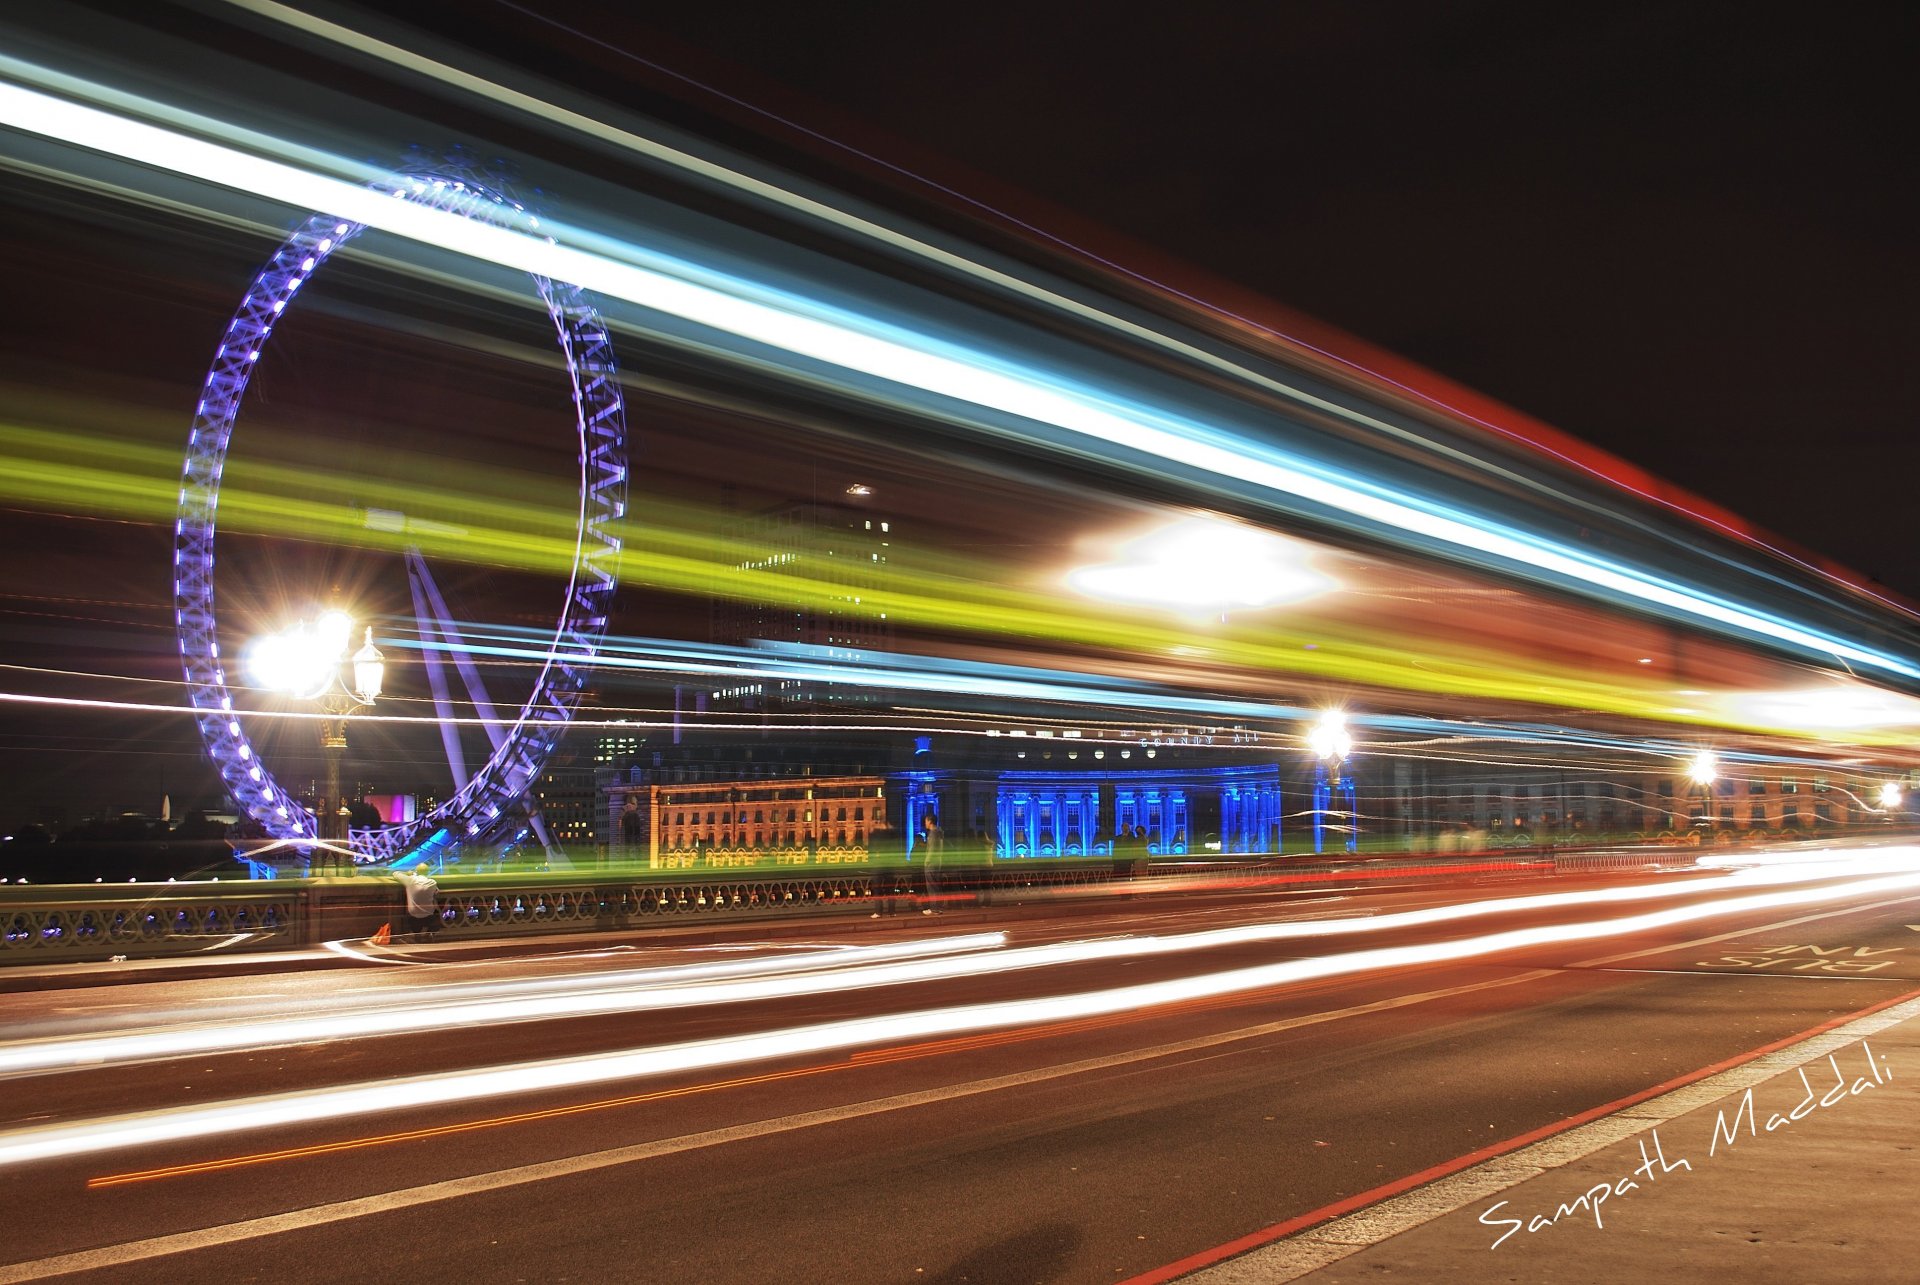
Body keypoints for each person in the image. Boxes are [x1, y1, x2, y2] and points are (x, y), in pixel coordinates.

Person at [396, 866, 439, 940]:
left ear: (416, 871)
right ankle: (429, 933)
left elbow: (396, 873)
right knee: (437, 913)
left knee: (410, 915)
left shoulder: (410, 880)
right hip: (429, 915)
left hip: (413, 916)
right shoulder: (432, 882)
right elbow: (437, 892)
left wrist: (408, 873)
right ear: (427, 872)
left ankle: (415, 934)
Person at [919, 812, 944, 914]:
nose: (925, 823)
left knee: (931, 886)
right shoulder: (940, 832)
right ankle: (937, 907)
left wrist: (926, 861)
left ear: (930, 821)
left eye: (926, 821)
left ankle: (934, 908)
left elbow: (932, 850)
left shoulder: (933, 833)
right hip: (938, 862)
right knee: (936, 885)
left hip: (931, 863)